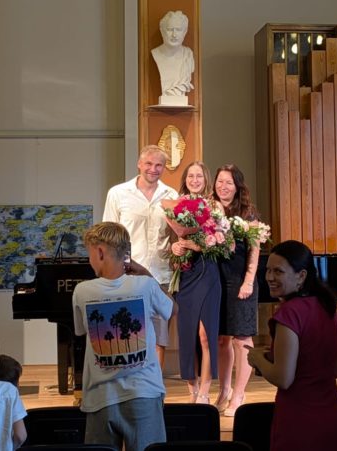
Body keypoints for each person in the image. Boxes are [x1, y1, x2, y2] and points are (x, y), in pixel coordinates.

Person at [73, 222, 174, 451]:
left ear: (100, 252)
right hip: (144, 392)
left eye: (90, 254)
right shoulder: (146, 285)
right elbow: (172, 309)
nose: (89, 260)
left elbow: (81, 331)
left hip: (100, 397)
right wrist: (147, 274)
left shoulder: (82, 291)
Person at [247, 240, 337, 451]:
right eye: (268, 270)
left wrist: (257, 358)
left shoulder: (290, 312)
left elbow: (283, 378)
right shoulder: (327, 307)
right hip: (334, 416)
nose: (269, 277)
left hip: (301, 419)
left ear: (301, 276)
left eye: (278, 271)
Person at [102, 144, 178, 368]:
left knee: (158, 338)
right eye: (149, 163)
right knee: (126, 335)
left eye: (159, 165)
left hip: (160, 276)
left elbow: (175, 236)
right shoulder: (118, 193)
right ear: (139, 164)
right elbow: (108, 235)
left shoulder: (171, 195)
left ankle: (155, 384)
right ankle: (130, 381)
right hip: (127, 276)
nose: (153, 169)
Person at [212, 164, 261, 416]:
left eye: (228, 182)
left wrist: (249, 280)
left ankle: (239, 394)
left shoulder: (248, 212)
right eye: (220, 181)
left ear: (237, 186)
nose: (223, 187)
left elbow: (255, 249)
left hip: (241, 279)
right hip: (217, 280)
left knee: (242, 339)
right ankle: (224, 390)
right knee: (222, 339)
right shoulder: (210, 209)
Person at [172, 161, 221, 403]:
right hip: (186, 273)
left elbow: (220, 241)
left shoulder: (214, 206)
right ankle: (191, 388)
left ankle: (205, 390)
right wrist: (175, 247)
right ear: (185, 179)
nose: (194, 180)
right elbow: (171, 240)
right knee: (187, 332)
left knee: (204, 334)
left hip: (208, 272)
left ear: (205, 179)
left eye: (199, 176)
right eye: (190, 176)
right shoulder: (176, 205)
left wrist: (198, 245)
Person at [151, 10, 195, 97]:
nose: (174, 35)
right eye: (170, 29)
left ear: (184, 32)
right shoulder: (156, 53)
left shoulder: (188, 55)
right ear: (162, 31)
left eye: (178, 30)